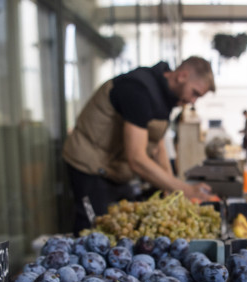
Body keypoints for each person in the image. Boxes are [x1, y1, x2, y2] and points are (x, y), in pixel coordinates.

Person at [63, 57, 216, 234]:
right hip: (88, 164)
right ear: (182, 76)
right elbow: (136, 158)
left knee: (122, 227)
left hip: (114, 170)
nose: (193, 101)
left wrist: (172, 189)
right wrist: (185, 189)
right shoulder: (138, 89)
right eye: (195, 93)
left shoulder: (166, 97)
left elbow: (157, 145)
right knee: (92, 230)